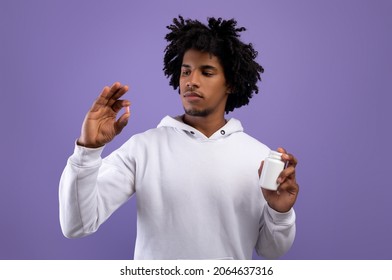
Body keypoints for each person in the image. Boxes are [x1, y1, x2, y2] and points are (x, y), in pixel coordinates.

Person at [59, 16, 299, 260]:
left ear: (231, 84)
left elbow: (271, 251)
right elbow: (76, 225)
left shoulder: (258, 157)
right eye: (186, 72)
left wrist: (279, 213)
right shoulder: (144, 148)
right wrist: (87, 150)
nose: (191, 81)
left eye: (206, 72)